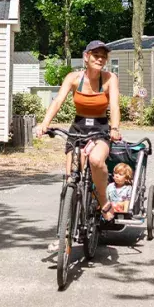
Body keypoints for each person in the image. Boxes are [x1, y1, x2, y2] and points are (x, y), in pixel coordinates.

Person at [36, 40, 122, 221]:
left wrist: (114, 128)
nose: (100, 59)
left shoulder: (109, 79)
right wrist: (44, 123)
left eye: (103, 57)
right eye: (95, 55)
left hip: (100, 129)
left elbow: (114, 105)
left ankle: (103, 201)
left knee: (96, 160)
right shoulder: (73, 78)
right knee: (71, 179)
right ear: (86, 57)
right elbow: (58, 100)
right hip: (77, 129)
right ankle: (65, 234)